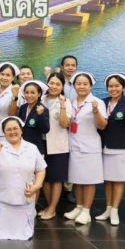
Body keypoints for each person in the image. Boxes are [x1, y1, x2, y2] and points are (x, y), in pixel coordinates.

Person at [0, 116, 46, 240]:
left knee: (24, 232)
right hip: (3, 199)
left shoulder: (32, 148)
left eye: (15, 128)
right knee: (0, 232)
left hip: (25, 198)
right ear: (4, 132)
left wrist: (37, 185)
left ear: (21, 130)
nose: (12, 132)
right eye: (8, 129)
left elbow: (41, 169)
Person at [63, 72, 108, 225]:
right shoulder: (71, 102)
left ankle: (86, 211)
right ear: (74, 86)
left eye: (85, 84)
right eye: (78, 83)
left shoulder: (97, 102)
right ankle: (79, 207)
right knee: (76, 179)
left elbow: (102, 125)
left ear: (90, 86)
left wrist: (95, 111)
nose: (81, 86)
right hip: (73, 145)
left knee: (88, 180)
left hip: (90, 147)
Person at [96, 73, 125, 226]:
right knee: (107, 180)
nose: (113, 89)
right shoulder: (102, 102)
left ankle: (115, 210)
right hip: (103, 146)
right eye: (110, 86)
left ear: (123, 87)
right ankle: (108, 209)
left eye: (117, 86)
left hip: (120, 147)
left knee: (118, 179)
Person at [40, 72, 72, 220]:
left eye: (58, 84)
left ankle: (52, 209)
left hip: (58, 144)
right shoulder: (41, 99)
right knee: (45, 177)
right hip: (41, 143)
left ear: (62, 86)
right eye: (51, 83)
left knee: (56, 178)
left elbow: (65, 124)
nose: (54, 86)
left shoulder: (66, 102)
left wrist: (63, 106)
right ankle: (49, 206)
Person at [0, 62, 19, 143]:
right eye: (2, 74)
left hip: (5, 133)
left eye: (8, 75)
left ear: (13, 77)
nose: (4, 77)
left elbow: (12, 113)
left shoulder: (16, 91)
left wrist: (15, 97)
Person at [17, 80, 50, 155]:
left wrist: (41, 115)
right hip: (22, 147)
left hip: (36, 148)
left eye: (32, 92)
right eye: (27, 92)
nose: (29, 95)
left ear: (39, 94)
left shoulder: (43, 109)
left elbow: (45, 130)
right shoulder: (23, 107)